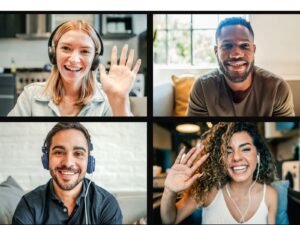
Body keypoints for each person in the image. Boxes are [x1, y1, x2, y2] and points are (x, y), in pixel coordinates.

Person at [8, 19, 141, 116]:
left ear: (95, 59)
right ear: (53, 54)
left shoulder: (108, 99)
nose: (74, 59)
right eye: (66, 48)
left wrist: (119, 100)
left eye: (85, 51)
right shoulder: (30, 96)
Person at [160, 122, 278, 224]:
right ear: (220, 159)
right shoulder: (208, 191)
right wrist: (169, 191)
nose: (236, 157)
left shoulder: (270, 195)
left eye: (245, 149)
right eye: (228, 151)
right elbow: (170, 220)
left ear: (258, 156)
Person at [12, 122, 122, 224]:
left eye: (78, 153)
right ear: (46, 159)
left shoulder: (106, 204)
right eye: (59, 152)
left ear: (89, 162)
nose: (68, 163)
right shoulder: (29, 205)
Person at [187, 17, 294, 116]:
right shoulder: (202, 88)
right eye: (227, 45)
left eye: (244, 46)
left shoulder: (277, 88)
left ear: (254, 49)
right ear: (216, 51)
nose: (236, 54)